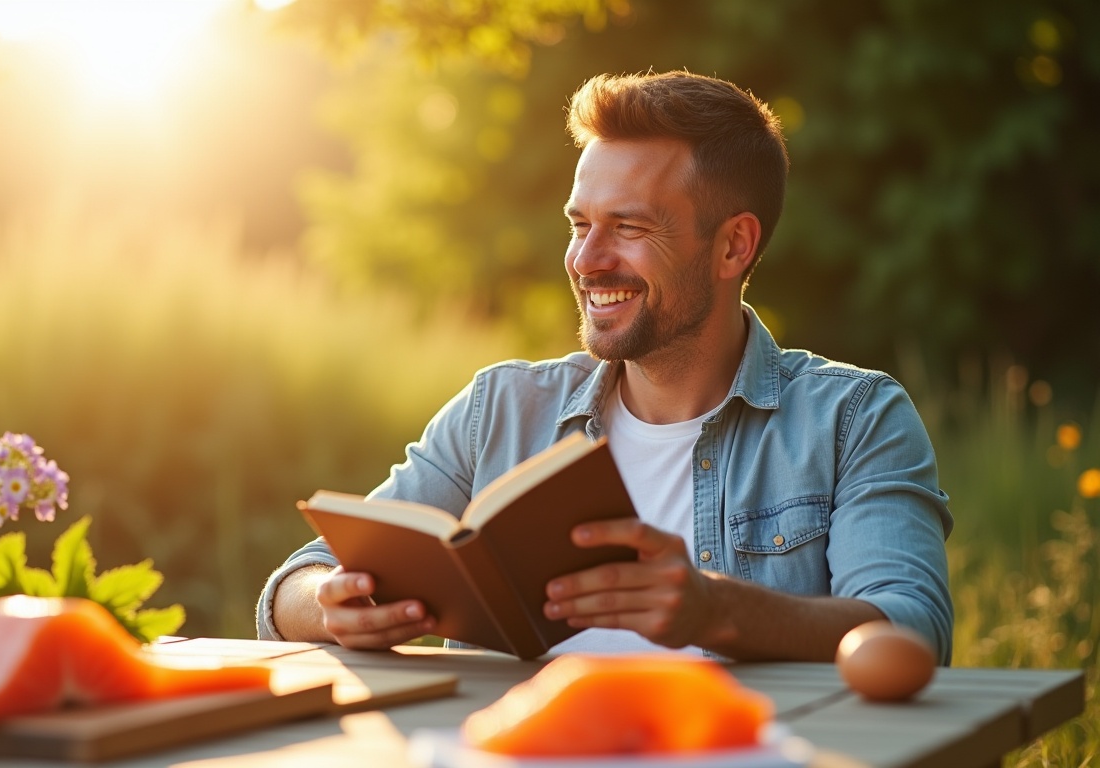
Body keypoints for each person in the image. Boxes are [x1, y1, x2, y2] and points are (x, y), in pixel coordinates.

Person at [255, 70, 953, 664]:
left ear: (734, 247)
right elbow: (297, 581)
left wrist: (715, 611)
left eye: (628, 227)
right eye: (579, 224)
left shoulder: (853, 420)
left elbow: (912, 632)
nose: (586, 261)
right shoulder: (497, 411)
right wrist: (329, 607)